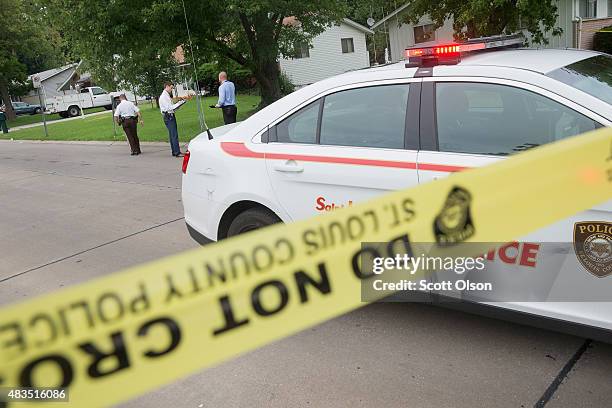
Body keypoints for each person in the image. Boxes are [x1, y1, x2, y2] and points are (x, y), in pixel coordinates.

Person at [159, 82, 190, 157]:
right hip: (169, 116)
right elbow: (170, 108)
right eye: (171, 87)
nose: (172, 89)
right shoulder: (164, 96)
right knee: (174, 135)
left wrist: (181, 102)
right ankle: (177, 152)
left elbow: (172, 107)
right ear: (167, 86)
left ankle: (174, 151)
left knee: (172, 135)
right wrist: (181, 102)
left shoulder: (166, 95)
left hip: (169, 115)